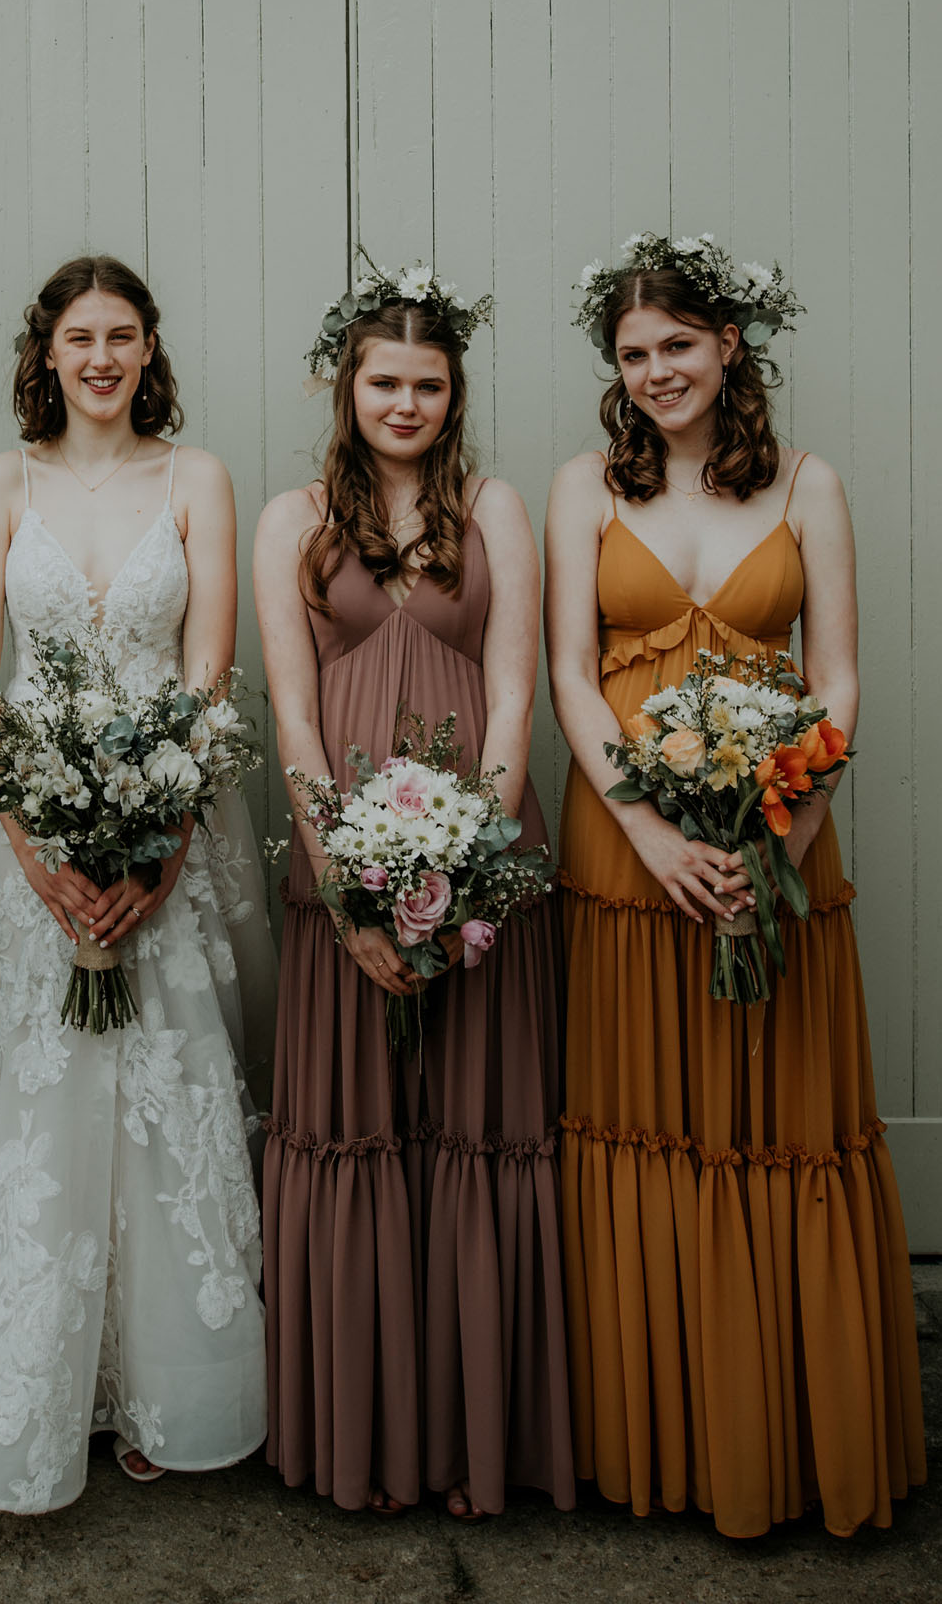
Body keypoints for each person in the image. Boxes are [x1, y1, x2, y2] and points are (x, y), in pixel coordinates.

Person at [546, 233, 925, 1538]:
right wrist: (648, 834)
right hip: (627, 853)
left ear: (729, 349)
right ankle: (651, 1449)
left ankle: (788, 1446)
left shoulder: (807, 488)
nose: (657, 372)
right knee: (651, 1125)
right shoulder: (581, 487)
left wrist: (791, 829)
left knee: (775, 1128)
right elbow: (569, 681)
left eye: (678, 347)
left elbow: (837, 680)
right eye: (634, 355)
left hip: (779, 840)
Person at [0, 254, 275, 1514]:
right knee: (46, 1096)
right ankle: (47, 1385)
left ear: (148, 348)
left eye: (121, 334)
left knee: (165, 1092)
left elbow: (209, 667)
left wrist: (162, 837)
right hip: (27, 840)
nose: (99, 355)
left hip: (172, 826)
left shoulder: (196, 476)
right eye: (77, 335)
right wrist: (33, 837)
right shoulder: (3, 481)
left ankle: (166, 1386)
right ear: (44, 352)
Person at [256, 262, 574, 1521]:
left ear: (454, 393)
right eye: (383, 380)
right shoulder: (294, 519)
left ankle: (469, 1444)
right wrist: (341, 876)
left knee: (473, 1133)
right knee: (363, 1130)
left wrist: (473, 860)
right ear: (347, 386)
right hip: (339, 853)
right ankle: (363, 1439)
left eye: (427, 383)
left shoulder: (493, 507)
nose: (405, 402)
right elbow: (286, 706)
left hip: (479, 853)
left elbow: (514, 694)